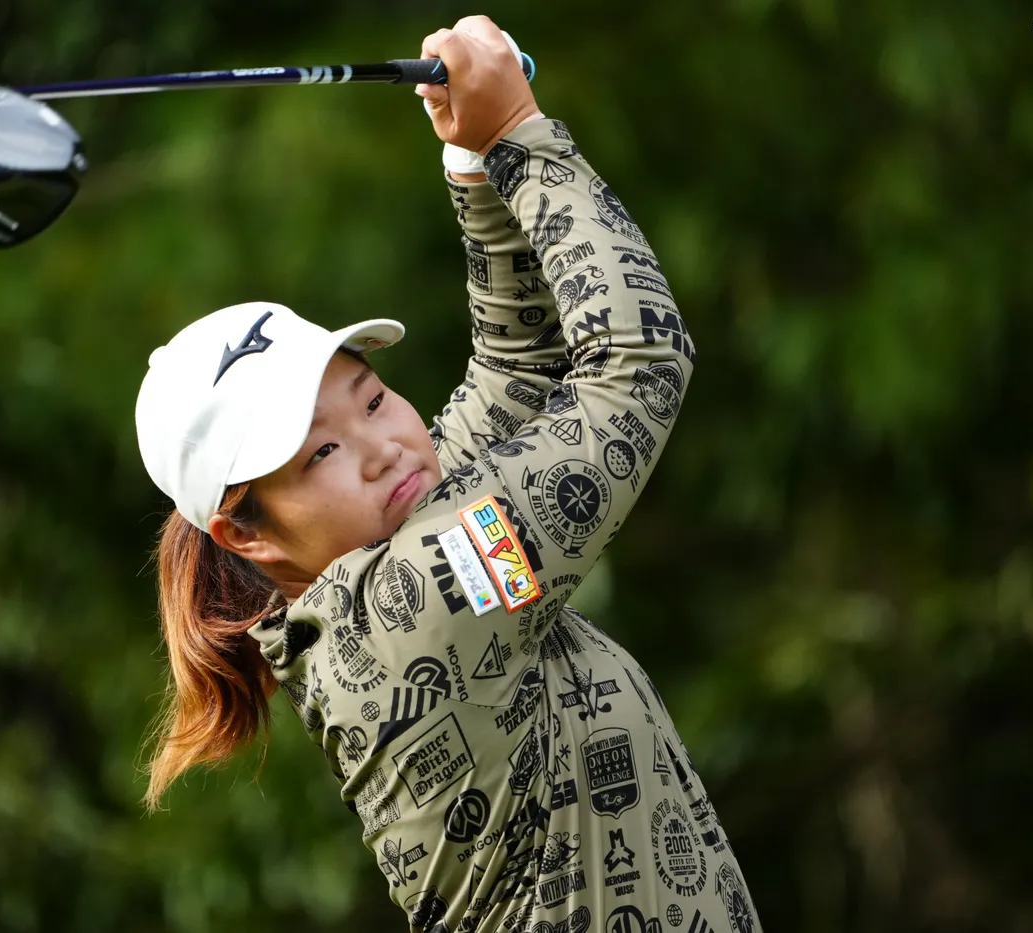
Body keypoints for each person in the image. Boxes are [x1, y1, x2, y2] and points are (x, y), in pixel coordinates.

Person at [133, 16, 760, 933]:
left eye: (371, 398)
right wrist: (521, 135)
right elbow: (637, 363)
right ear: (246, 532)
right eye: (320, 453)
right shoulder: (420, 602)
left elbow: (515, 373)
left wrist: (473, 161)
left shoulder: (394, 545)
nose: (384, 446)